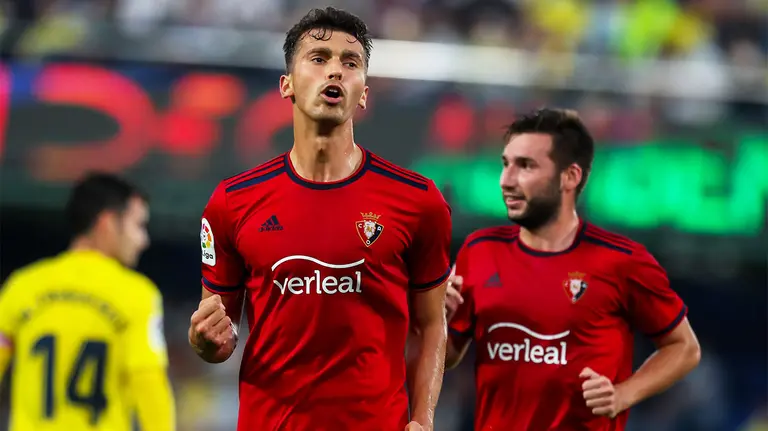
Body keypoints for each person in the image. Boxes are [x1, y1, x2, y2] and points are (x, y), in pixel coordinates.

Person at [187, 7, 451, 431]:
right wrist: (204, 340)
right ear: (286, 85)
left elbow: (432, 324)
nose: (335, 72)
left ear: (363, 92)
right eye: (318, 58)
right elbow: (220, 337)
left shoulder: (418, 201)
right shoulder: (232, 202)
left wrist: (422, 419)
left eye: (350, 64)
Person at [444, 108, 701, 431]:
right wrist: (438, 320)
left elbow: (684, 348)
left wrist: (623, 395)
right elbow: (448, 356)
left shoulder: (622, 261)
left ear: (570, 176)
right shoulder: (480, 250)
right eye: (505, 164)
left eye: (526, 166)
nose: (506, 180)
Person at [0, 173, 175, 431]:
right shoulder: (137, 294)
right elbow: (150, 387)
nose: (143, 240)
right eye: (138, 225)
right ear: (107, 222)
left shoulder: (23, 286)